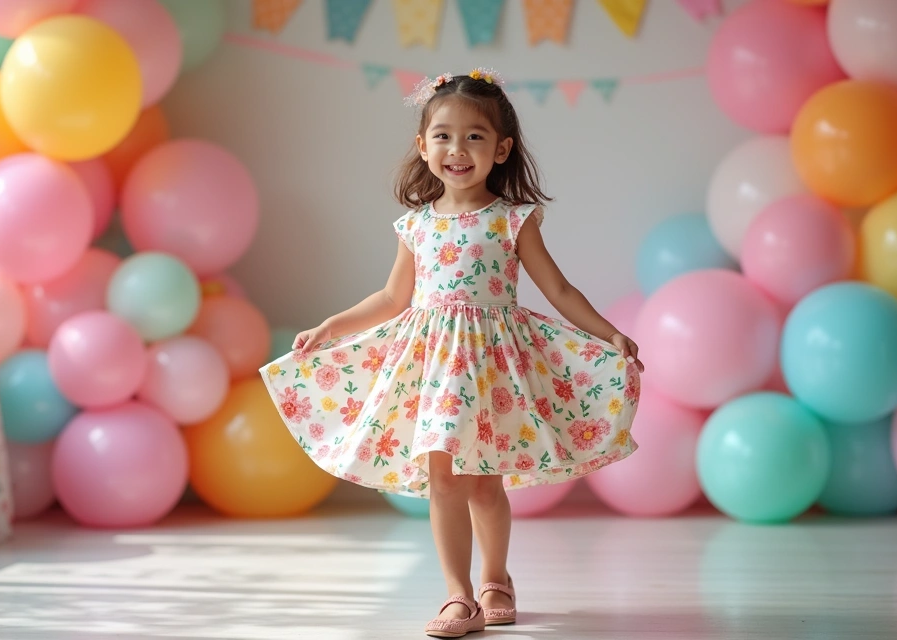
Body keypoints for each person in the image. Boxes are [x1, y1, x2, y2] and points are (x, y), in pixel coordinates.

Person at [260, 68, 643, 638]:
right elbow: (393, 297)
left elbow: (558, 290)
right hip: (434, 366)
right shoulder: (415, 225)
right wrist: (331, 326)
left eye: (474, 137)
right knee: (444, 479)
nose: (457, 149)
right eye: (442, 135)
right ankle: (458, 596)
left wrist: (609, 332)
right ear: (422, 145)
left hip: (494, 366)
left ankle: (495, 579)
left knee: (486, 481)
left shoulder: (512, 218)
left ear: (501, 148)